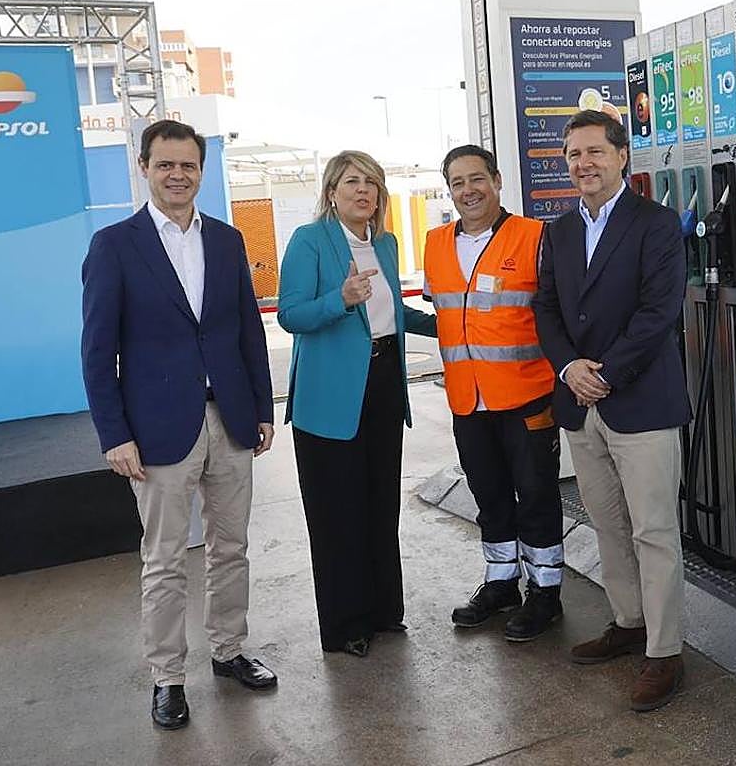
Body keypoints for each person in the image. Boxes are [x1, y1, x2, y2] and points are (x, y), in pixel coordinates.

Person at [81, 120, 278, 731]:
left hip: (232, 420)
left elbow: (247, 327)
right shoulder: (115, 245)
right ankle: (167, 676)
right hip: (160, 430)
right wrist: (115, 434)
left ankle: (229, 649)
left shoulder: (225, 240)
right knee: (164, 560)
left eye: (188, 165)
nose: (177, 175)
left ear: (201, 169)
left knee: (232, 548)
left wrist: (264, 408)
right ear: (144, 167)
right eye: (165, 164)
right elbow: (96, 350)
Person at [532, 110, 691, 712]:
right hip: (580, 402)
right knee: (608, 525)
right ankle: (628, 622)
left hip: (640, 401)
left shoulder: (656, 224)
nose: (584, 164)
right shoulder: (560, 230)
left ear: (622, 156)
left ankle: (665, 650)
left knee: (653, 530)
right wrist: (569, 368)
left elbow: (659, 312)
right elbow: (545, 308)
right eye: (573, 154)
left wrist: (604, 372)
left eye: (595, 151)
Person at [278, 150, 436, 659]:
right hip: (330, 396)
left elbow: (393, 311)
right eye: (352, 182)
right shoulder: (310, 241)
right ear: (331, 192)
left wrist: (451, 322)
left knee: (378, 502)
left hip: (385, 380)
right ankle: (346, 624)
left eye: (371, 183)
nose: (363, 191)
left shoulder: (384, 242)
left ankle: (385, 610)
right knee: (336, 512)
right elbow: (290, 314)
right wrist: (339, 300)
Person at [424, 145, 564, 641]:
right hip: (468, 400)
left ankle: (545, 591)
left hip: (526, 396)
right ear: (449, 190)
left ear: (497, 180)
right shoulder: (435, 243)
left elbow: (554, 312)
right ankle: (501, 580)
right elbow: (445, 313)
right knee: (490, 498)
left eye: (477, 178)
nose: (468, 190)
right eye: (457, 182)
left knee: (538, 497)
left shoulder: (534, 237)